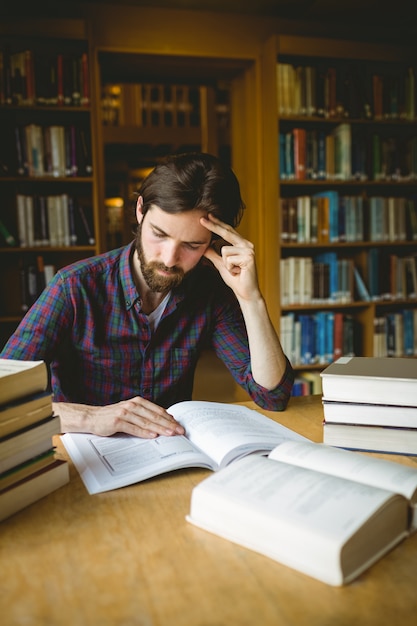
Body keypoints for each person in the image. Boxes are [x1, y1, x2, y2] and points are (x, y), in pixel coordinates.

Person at [1, 152, 293, 438]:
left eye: (191, 245)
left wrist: (250, 298)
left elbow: (272, 395)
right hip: (87, 458)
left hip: (169, 457)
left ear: (213, 243)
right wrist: (92, 416)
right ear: (140, 210)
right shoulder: (74, 287)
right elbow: (4, 397)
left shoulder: (210, 292)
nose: (169, 259)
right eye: (160, 234)